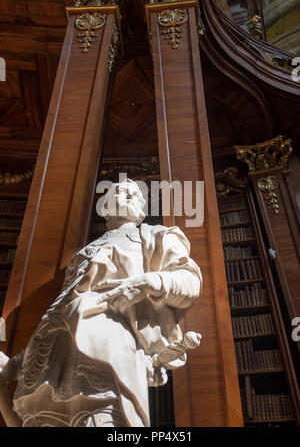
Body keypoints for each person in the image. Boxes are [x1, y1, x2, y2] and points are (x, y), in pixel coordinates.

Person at [0, 179, 202, 427]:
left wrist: (145, 283)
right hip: (51, 360)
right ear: (106, 207)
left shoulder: (155, 236)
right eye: (120, 192)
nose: (128, 195)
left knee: (101, 419)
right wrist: (20, 361)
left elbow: (190, 282)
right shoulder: (83, 253)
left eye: (134, 194)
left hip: (108, 352)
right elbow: (61, 310)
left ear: (141, 210)